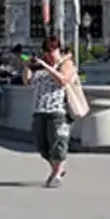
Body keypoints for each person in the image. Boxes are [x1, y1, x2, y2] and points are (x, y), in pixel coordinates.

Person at [23, 36, 76, 188]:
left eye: (52, 50)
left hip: (57, 110)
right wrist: (27, 66)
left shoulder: (66, 64)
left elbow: (63, 80)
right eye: (47, 51)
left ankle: (57, 174)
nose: (49, 54)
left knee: (57, 142)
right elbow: (27, 81)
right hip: (39, 109)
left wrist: (46, 66)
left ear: (59, 49)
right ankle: (57, 170)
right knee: (42, 145)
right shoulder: (40, 68)